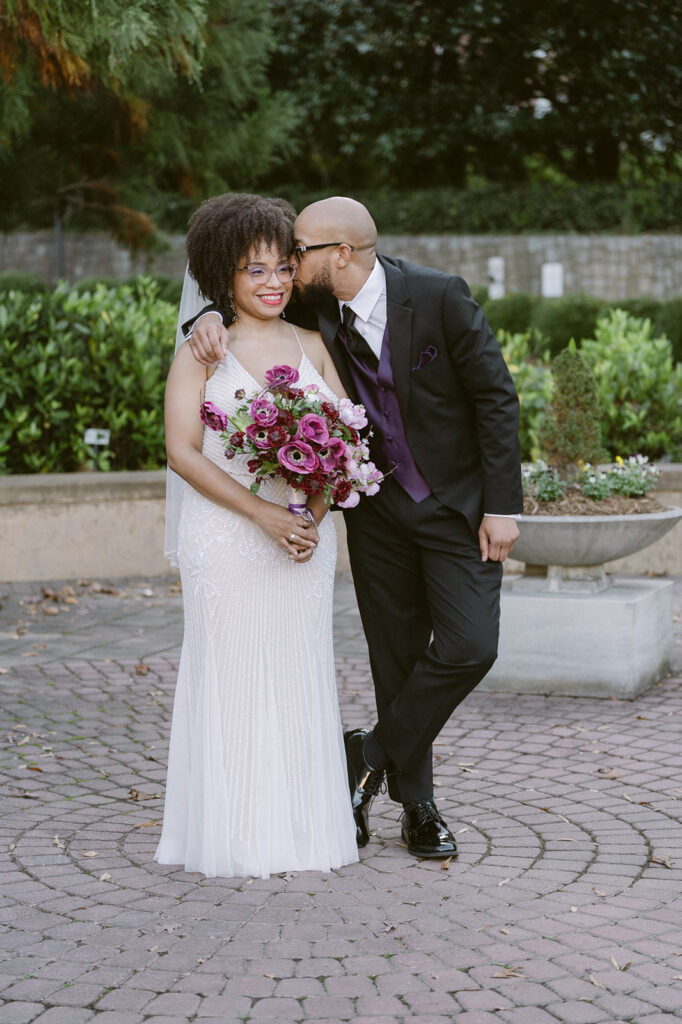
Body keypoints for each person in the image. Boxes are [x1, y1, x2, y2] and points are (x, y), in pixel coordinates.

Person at [184, 196, 522, 859]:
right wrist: (202, 317)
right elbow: (241, 294)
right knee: (394, 658)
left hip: (455, 507)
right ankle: (418, 808)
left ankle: (364, 755)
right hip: (376, 514)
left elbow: (495, 396)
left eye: (297, 254)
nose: (285, 265)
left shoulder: (440, 296)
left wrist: (501, 505)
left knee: (470, 645)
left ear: (340, 254)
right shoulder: (315, 305)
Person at [154, 193, 358, 878]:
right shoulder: (203, 349)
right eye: (254, 270)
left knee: (297, 672)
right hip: (227, 537)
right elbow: (183, 452)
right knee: (234, 675)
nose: (272, 283)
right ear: (225, 277)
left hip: (302, 537)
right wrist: (262, 513)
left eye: (281, 268)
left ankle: (303, 832)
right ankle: (234, 831)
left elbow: (345, 439)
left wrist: (314, 515)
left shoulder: (311, 343)